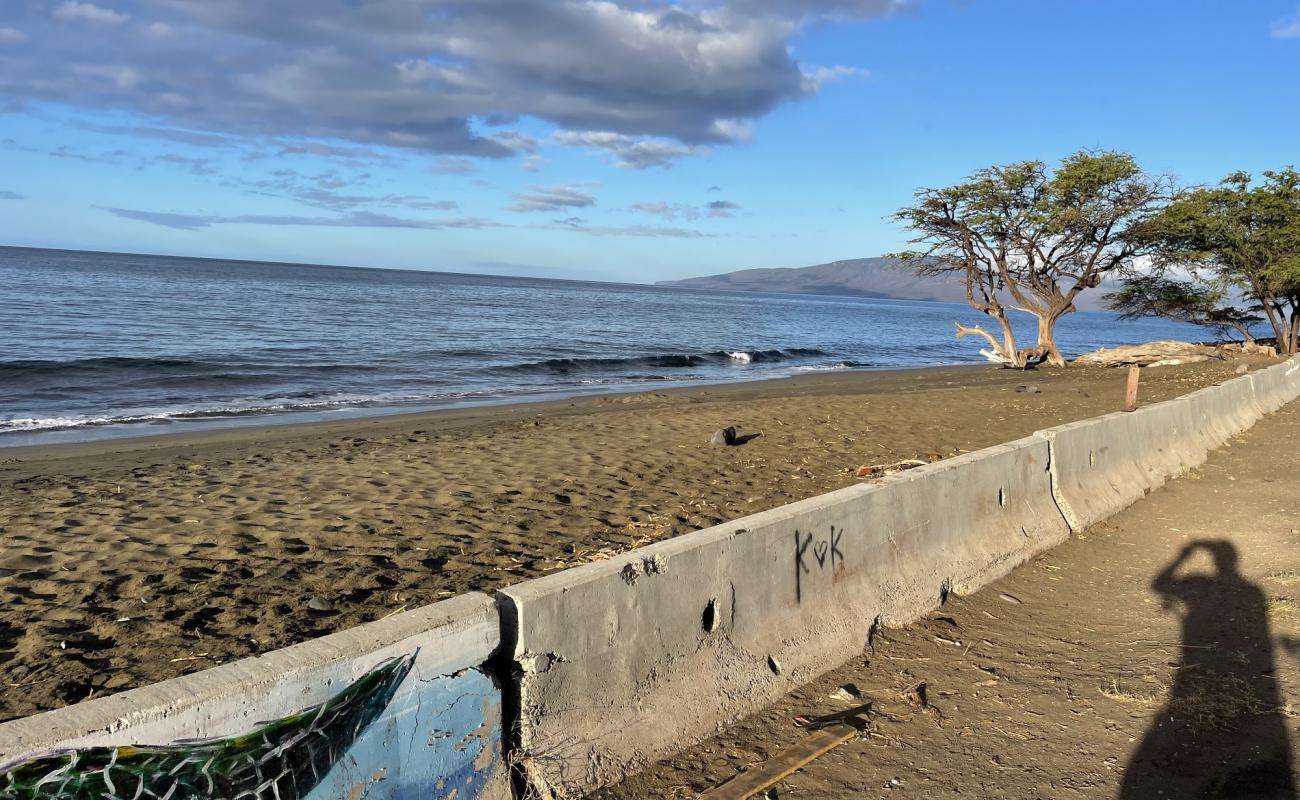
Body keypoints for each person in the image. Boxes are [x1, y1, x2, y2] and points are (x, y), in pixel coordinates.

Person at [1121, 540, 1295, 798]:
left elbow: (1158, 584)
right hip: (1249, 676)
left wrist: (1182, 556)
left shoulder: (1201, 582)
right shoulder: (1252, 591)